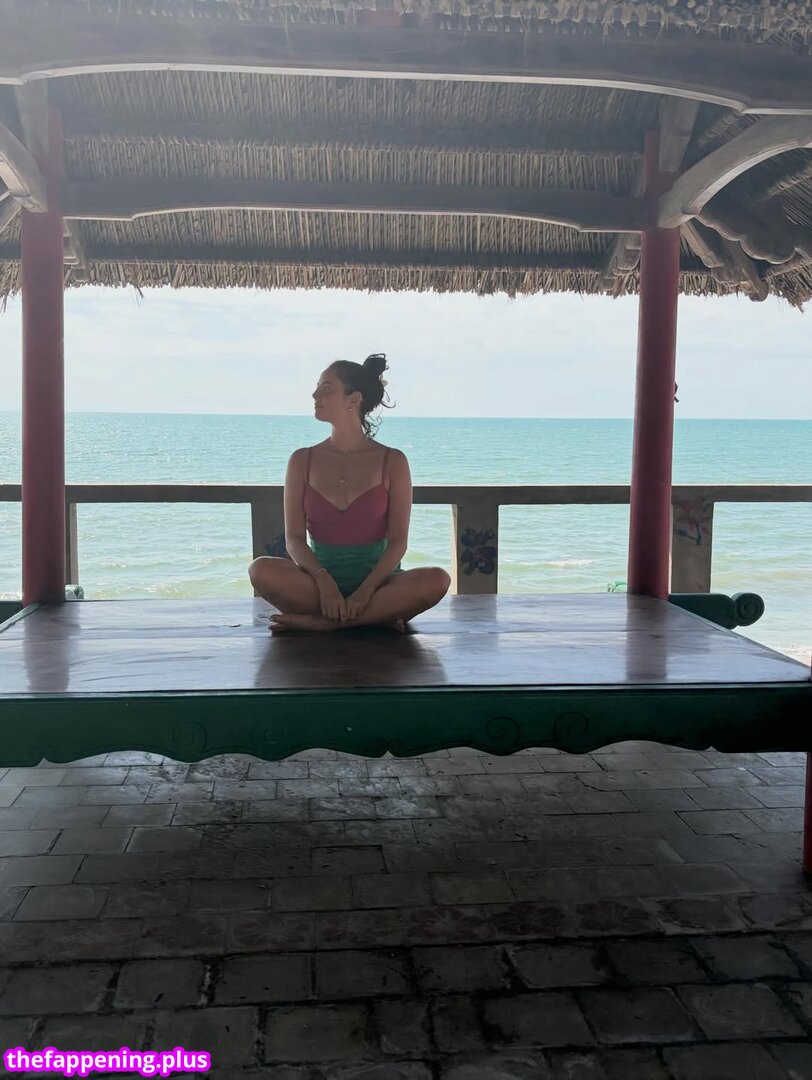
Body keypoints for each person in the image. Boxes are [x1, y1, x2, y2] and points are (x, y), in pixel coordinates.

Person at [249, 354, 451, 632]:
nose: (315, 395)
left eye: (326, 388)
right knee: (260, 569)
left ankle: (326, 624)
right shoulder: (301, 460)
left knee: (437, 580)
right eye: (317, 388)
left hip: (378, 586)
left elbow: (398, 543)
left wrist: (365, 592)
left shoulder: (392, 461)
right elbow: (294, 539)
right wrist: (324, 582)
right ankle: (369, 618)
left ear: (353, 400)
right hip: (318, 586)